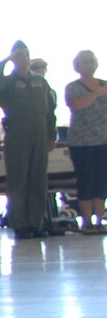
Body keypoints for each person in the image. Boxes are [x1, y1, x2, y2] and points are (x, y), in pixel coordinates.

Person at [0, 43, 57, 237]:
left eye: (25, 55)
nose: (23, 59)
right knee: (18, 179)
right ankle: (20, 224)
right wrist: (5, 61)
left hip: (40, 134)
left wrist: (52, 135)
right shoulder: (7, 82)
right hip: (18, 134)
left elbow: (50, 111)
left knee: (38, 179)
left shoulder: (40, 82)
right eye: (19, 56)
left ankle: (35, 223)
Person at [66, 52, 107, 233]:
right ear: (77, 66)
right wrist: (97, 93)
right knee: (86, 179)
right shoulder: (73, 87)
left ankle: (99, 221)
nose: (88, 65)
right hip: (81, 142)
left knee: (101, 180)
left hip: (103, 140)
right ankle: (87, 221)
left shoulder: (104, 84)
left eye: (91, 62)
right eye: (84, 62)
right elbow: (78, 105)